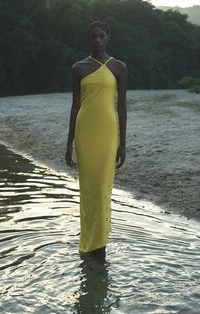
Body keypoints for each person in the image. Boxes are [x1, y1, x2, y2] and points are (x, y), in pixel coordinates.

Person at [65, 21, 127, 260]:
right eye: (93, 36)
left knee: (102, 187)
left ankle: (99, 246)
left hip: (109, 133)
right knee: (88, 189)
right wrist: (69, 142)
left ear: (108, 37)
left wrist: (123, 143)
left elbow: (122, 107)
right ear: (88, 38)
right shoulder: (78, 68)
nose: (97, 40)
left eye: (101, 36)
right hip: (85, 133)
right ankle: (88, 244)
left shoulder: (119, 67)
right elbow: (75, 105)